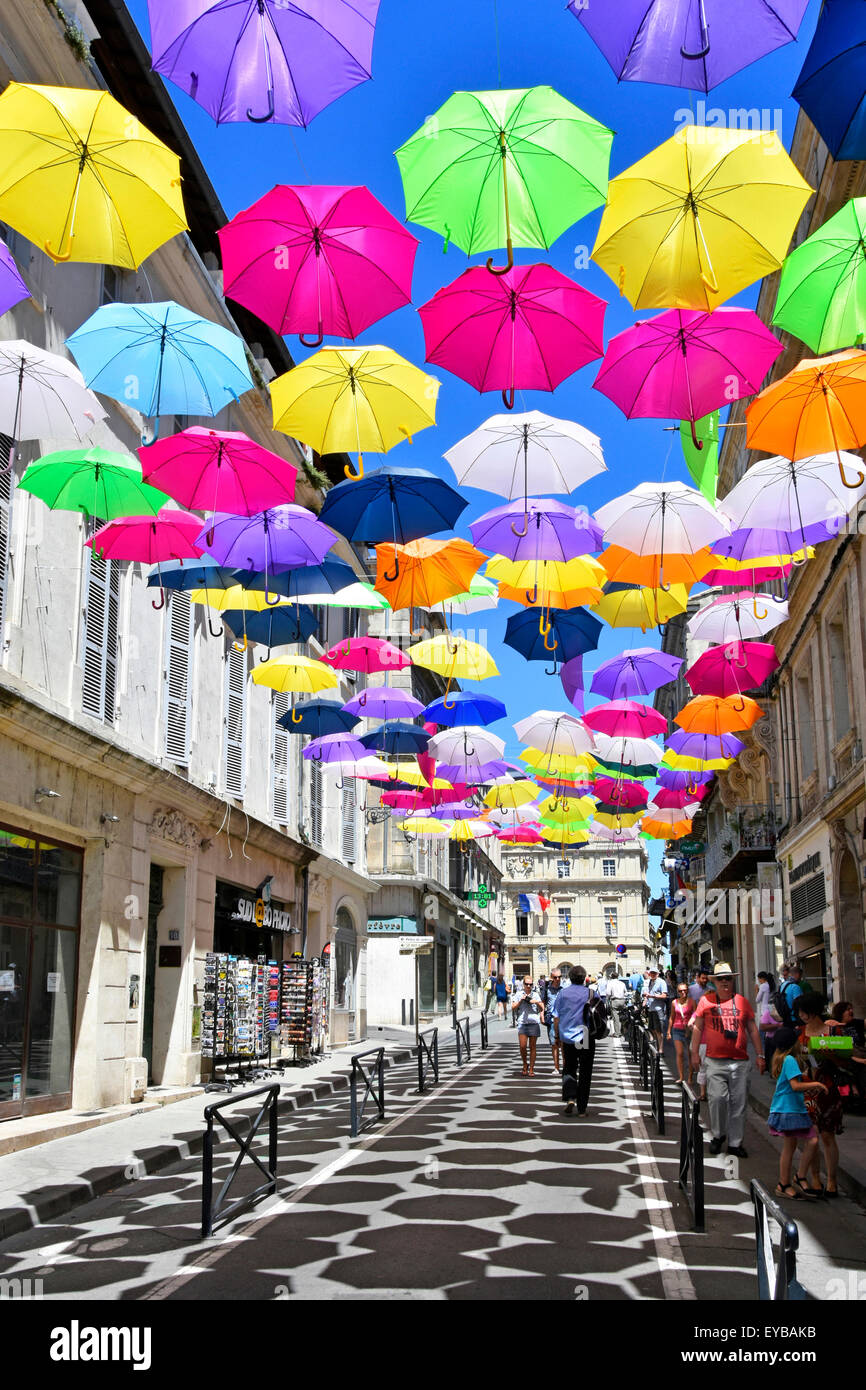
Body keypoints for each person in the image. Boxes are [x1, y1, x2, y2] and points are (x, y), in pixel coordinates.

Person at [689, 963, 765, 1157]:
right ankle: (718, 1135)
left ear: (732, 980)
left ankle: (735, 1143)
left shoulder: (741, 1001)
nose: (725, 981)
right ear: (714, 981)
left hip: (739, 1061)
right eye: (721, 978)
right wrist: (695, 1052)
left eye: (728, 978)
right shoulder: (706, 1002)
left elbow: (753, 1029)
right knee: (717, 1099)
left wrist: (760, 1055)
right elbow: (697, 1028)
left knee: (739, 1103)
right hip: (715, 1060)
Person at [768, 1027, 826, 1201]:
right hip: (790, 1110)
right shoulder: (790, 1059)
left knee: (790, 1147)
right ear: (793, 1043)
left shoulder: (781, 1058)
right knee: (812, 1139)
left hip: (786, 1109)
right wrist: (816, 1084)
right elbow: (795, 1086)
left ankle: (785, 1183)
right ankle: (797, 1177)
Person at [795, 992, 845, 1197]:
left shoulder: (833, 1031)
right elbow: (794, 1062)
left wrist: (830, 1052)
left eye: (801, 1011)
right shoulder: (799, 1034)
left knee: (827, 1135)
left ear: (810, 1013)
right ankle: (815, 1178)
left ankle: (832, 1181)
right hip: (807, 1089)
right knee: (812, 1135)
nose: (799, 1015)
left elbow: (845, 1061)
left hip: (829, 1088)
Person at [551, 965, 594, 1117]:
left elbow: (556, 1017)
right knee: (585, 1071)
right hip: (585, 1036)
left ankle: (570, 1097)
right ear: (584, 978)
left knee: (569, 1067)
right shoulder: (591, 993)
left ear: (569, 977)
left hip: (568, 1037)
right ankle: (582, 1109)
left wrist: (556, 1036)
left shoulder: (563, 993)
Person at [513, 975, 544, 1076]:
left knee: (532, 1047)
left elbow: (542, 1008)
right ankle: (525, 1064)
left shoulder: (535, 994)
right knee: (522, 1046)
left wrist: (536, 1002)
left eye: (530, 984)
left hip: (534, 1023)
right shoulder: (518, 994)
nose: (528, 986)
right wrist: (521, 1000)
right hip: (522, 1023)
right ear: (523, 984)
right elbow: (513, 1007)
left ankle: (531, 1068)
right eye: (527, 984)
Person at [667, 983, 697, 1084]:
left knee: (689, 1054)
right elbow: (672, 1017)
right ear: (677, 992)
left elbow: (696, 1015)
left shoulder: (692, 1002)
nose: (683, 992)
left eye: (684, 990)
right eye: (680, 991)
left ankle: (690, 1077)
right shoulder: (674, 1002)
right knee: (679, 1053)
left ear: (688, 990)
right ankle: (681, 1076)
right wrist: (668, 1031)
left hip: (688, 1030)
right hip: (677, 1029)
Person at [756, 970, 779, 1070]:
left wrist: (756, 990)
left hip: (764, 1012)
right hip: (772, 1012)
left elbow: (757, 1000)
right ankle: (773, 1060)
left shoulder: (763, 986)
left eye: (759, 979)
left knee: (762, 1037)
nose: (759, 981)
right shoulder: (772, 985)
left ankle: (764, 1059)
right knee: (771, 1036)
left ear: (762, 978)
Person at [542, 969, 564, 1073]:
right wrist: (541, 1015)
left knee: (564, 1044)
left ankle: (565, 1066)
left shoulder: (564, 988)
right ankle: (556, 1067)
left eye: (559, 977)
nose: (558, 979)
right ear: (551, 977)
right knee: (554, 1044)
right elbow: (543, 1002)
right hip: (551, 1019)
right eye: (555, 977)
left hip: (563, 1019)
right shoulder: (546, 989)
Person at [644, 967, 668, 1050]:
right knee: (651, 1029)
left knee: (658, 1030)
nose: (653, 975)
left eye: (654, 973)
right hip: (651, 1008)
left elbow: (664, 995)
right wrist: (645, 999)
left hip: (658, 1009)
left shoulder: (662, 982)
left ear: (657, 974)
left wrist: (653, 996)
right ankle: (655, 1046)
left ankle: (661, 1049)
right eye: (651, 973)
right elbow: (649, 993)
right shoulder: (651, 981)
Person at [607, 972, 628, 1038]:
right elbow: (626, 992)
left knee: (616, 1018)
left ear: (611, 977)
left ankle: (617, 1033)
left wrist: (608, 1000)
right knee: (623, 1016)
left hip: (615, 1000)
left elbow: (608, 993)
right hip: (622, 1000)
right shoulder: (622, 983)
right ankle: (624, 1031)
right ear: (618, 976)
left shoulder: (610, 983)